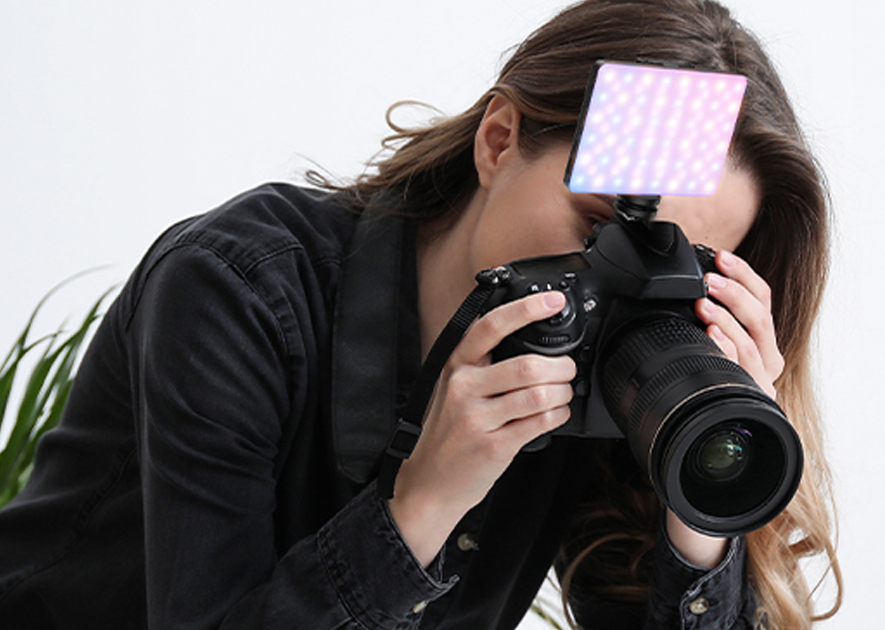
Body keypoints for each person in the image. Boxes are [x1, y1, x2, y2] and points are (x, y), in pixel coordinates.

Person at [0, 0, 840, 628]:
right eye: (603, 230)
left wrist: (703, 486)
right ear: (500, 140)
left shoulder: (626, 364)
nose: (627, 282)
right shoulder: (241, 288)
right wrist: (422, 505)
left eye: (683, 265)